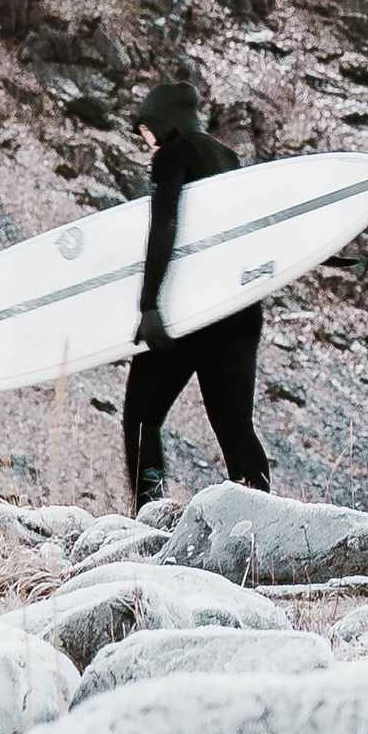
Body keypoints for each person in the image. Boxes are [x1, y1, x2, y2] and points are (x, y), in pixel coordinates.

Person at [122, 76, 274, 513]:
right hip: (240, 309)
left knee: (142, 419)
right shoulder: (228, 156)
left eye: (148, 132)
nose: (149, 143)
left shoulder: (173, 156)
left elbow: (165, 225)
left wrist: (149, 304)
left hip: (192, 310)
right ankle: (260, 523)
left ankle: (149, 516)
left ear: (166, 123)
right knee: (235, 425)